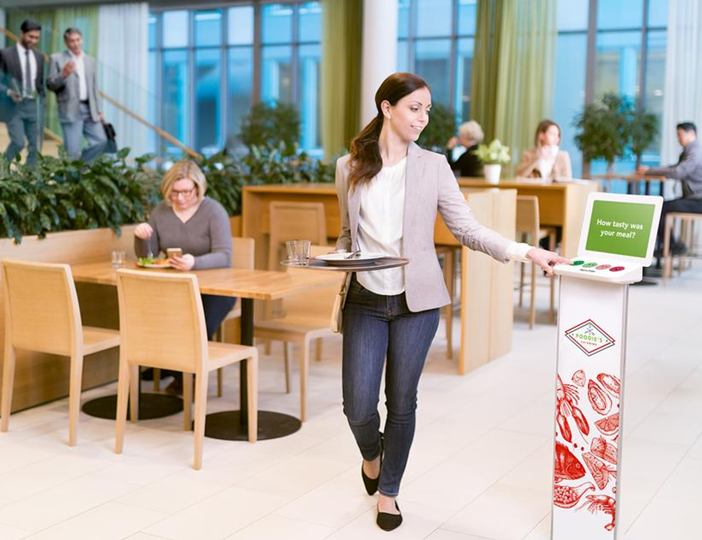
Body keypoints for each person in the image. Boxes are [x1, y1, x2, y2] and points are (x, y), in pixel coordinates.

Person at [335, 72, 567, 532]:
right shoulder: (349, 166)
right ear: (387, 108)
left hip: (416, 301)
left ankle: (389, 493)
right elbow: (348, 233)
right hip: (364, 296)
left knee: (402, 402)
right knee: (357, 406)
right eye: (414, 108)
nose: (423, 118)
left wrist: (524, 250)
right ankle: (371, 456)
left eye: (427, 109)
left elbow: (467, 229)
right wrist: (333, 259)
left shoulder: (434, 166)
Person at [134, 160, 235, 392]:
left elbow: (224, 256)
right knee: (151, 312)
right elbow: (147, 256)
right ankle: (167, 364)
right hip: (176, 287)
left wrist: (194, 263)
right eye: (174, 193)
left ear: (198, 189)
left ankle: (184, 376)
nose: (180, 198)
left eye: (186, 192)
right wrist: (141, 238)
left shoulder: (213, 211)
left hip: (216, 290)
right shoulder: (161, 211)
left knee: (196, 321)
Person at [638, 122, 702, 255]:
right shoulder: (690, 151)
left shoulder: (695, 152)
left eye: (680, 135)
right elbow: (673, 167)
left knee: (659, 208)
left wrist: (649, 171)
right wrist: (649, 170)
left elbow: (678, 172)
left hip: (698, 201)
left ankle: (673, 246)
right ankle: (672, 246)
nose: (678, 138)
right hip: (693, 199)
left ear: (691, 134)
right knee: (660, 206)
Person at [47, 27, 107, 161]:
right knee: (72, 151)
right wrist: (64, 74)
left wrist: (99, 110)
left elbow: (94, 87)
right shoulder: (56, 58)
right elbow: (50, 84)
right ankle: (71, 179)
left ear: (82, 39)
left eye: (78, 40)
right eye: (72, 41)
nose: (76, 43)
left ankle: (79, 170)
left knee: (101, 141)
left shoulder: (90, 60)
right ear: (66, 43)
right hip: (70, 109)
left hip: (89, 109)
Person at [0, 19, 45, 166]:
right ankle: (2, 168)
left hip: (32, 105)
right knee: (19, 142)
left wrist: (42, 100)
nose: (33, 40)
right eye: (30, 37)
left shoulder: (39, 57)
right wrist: (8, 91)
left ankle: (29, 176)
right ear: (21, 33)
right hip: (13, 107)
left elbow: (39, 82)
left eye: (36, 38)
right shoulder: (5, 54)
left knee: (35, 146)